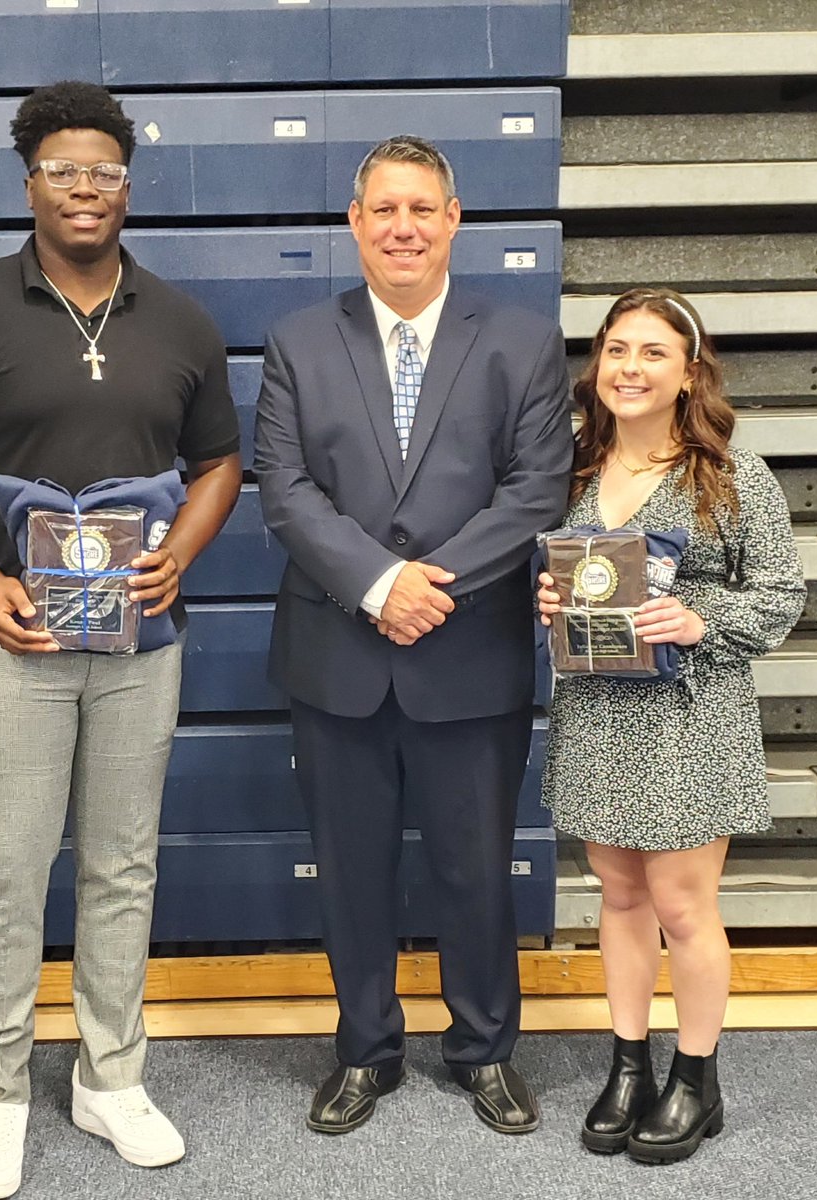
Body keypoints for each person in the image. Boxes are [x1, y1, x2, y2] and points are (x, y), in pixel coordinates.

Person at [0, 81, 241, 1200]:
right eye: (63, 170)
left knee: (122, 863)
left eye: (104, 171)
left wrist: (182, 551)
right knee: (9, 869)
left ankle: (110, 1078)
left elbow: (220, 462)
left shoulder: (180, 322)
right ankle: (1, 1088)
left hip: (141, 641)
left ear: (130, 184)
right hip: (4, 643)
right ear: (29, 183)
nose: (85, 188)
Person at [254, 135, 572, 1135]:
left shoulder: (520, 341)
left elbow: (536, 491)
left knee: (475, 869)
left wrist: (425, 587)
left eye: (421, 209)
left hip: (467, 652)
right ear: (355, 223)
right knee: (350, 872)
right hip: (337, 655)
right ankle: (364, 1050)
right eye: (383, 210)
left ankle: (484, 1049)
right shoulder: (298, 342)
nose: (403, 228)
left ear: (453, 219)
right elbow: (284, 489)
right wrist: (376, 584)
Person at [536, 288, 805, 1164]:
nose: (630, 368)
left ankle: (695, 1079)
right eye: (617, 350)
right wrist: (547, 602)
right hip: (596, 712)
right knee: (616, 897)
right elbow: (561, 578)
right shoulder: (572, 470)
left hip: (689, 716)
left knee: (684, 908)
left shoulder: (730, 474)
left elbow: (781, 596)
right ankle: (628, 1065)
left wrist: (697, 618)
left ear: (689, 372)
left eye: (653, 353)